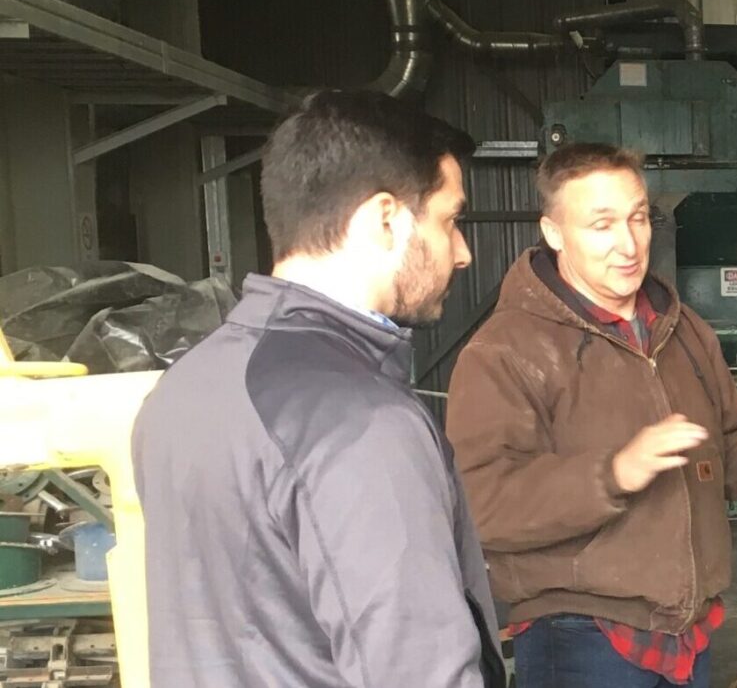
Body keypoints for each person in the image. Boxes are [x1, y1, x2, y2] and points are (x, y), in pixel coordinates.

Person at [445, 142, 737, 688]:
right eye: (601, 224)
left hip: (685, 628)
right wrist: (613, 473)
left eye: (638, 218)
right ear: (555, 232)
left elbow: (725, 450)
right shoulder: (507, 350)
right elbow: (482, 503)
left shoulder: (681, 330)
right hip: (580, 635)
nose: (629, 244)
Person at [132, 90, 505, 688]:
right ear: (386, 219)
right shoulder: (359, 421)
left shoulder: (181, 390)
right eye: (449, 220)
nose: (462, 253)